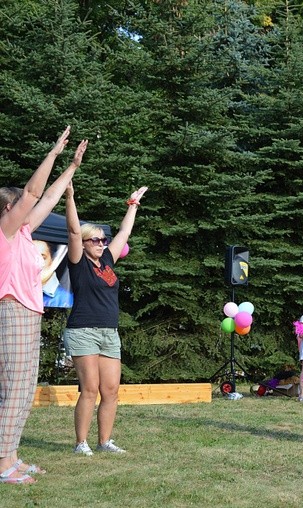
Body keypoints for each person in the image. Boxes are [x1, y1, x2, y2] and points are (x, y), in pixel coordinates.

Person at [0, 127, 86, 484]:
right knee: (12, 390)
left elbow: (46, 198)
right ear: (9, 208)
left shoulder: (20, 233)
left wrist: (72, 168)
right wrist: (52, 154)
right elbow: (34, 192)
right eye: (21, 204)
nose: (28, 207)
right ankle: (2, 464)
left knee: (22, 389)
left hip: (28, 312)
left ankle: (12, 455)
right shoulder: (4, 231)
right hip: (12, 310)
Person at [63, 182, 147, 456]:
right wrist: (70, 195)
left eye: (103, 240)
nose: (101, 244)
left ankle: (105, 441)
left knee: (110, 390)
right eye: (95, 240)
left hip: (109, 332)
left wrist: (132, 205)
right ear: (85, 244)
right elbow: (74, 230)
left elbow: (124, 231)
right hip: (83, 330)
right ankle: (81, 443)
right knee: (89, 389)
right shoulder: (78, 262)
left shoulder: (109, 260)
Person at [34, 239, 73, 308]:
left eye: (43, 257)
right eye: (30, 257)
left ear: (52, 260)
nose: (37, 262)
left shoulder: (65, 298)